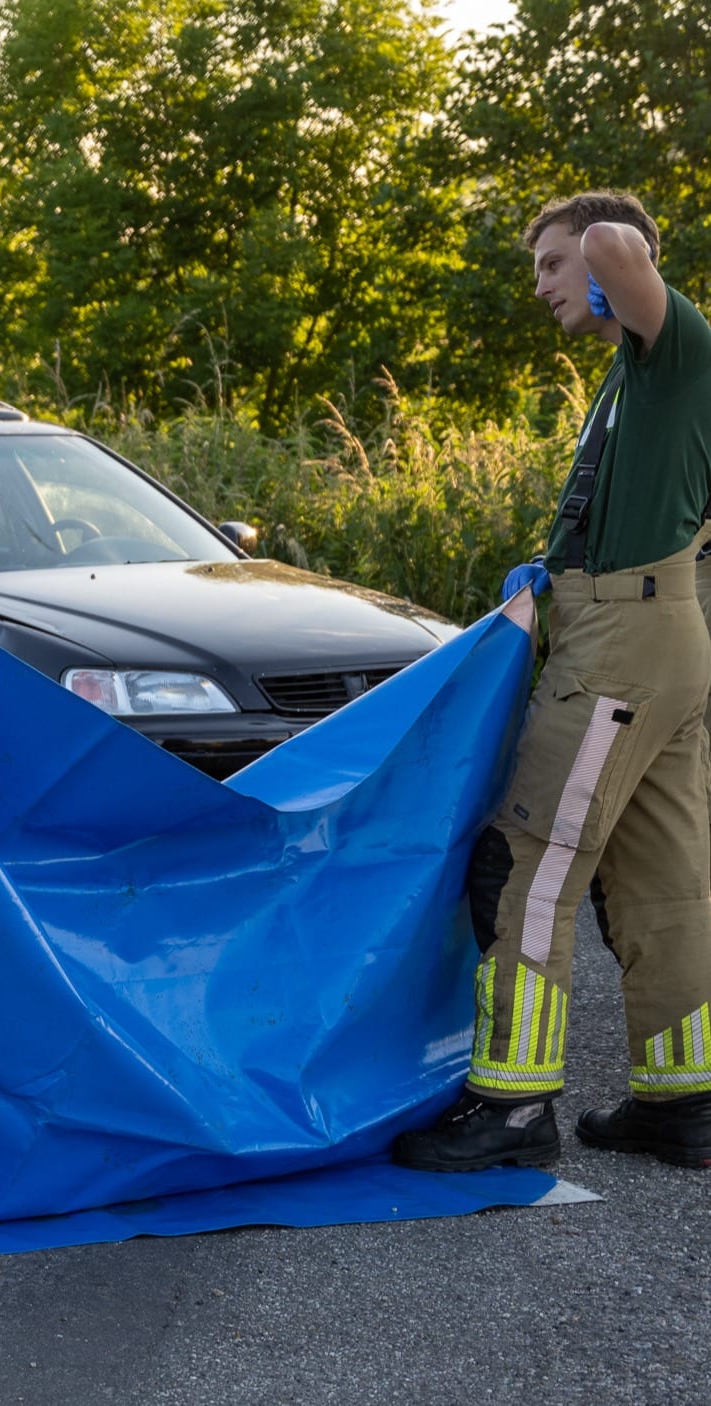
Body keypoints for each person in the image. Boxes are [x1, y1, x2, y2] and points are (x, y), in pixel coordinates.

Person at [394, 191, 711, 1173]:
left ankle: (514, 1102)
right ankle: (686, 1101)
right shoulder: (637, 379)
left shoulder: (671, 347)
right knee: (663, 877)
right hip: (651, 630)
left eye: (548, 263)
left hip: (621, 645)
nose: (539, 287)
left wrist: (612, 268)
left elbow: (622, 241)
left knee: (528, 856)